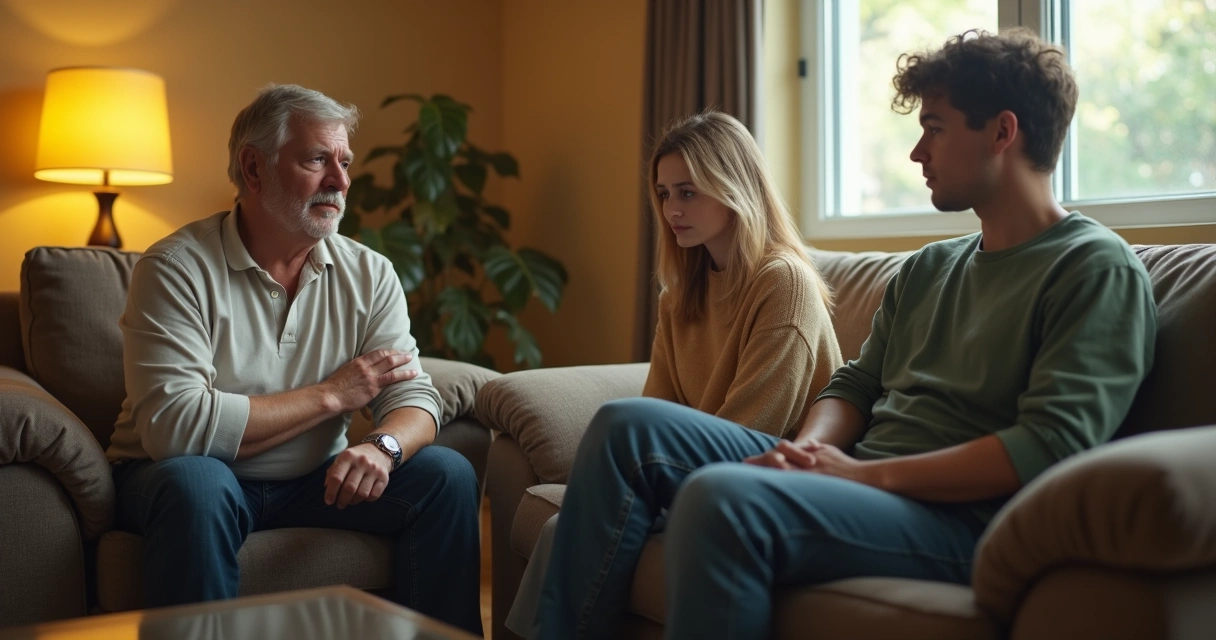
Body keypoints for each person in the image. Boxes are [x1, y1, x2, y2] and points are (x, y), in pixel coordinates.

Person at [535, 29, 1157, 640]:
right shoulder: (929, 268)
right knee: (626, 427)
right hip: (860, 482)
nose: (918, 152)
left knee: (722, 499)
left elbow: (1050, 444)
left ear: (1002, 131)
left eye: (934, 128)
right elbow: (855, 386)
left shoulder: (1094, 267)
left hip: (966, 519)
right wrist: (809, 452)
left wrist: (862, 477)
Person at [106, 84, 482, 634]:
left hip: (311, 481)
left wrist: (384, 445)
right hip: (173, 475)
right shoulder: (175, 268)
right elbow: (176, 429)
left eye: (345, 162)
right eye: (317, 160)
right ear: (253, 169)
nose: (341, 181)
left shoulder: (369, 273)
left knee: (446, 472)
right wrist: (333, 394)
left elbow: (414, 397)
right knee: (199, 484)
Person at [505, 111, 843, 637]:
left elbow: (757, 430)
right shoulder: (681, 293)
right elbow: (661, 411)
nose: (671, 210)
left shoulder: (784, 283)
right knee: (556, 528)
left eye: (687, 192)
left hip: (769, 475)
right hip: (693, 470)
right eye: (663, 194)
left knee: (606, 461)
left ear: (733, 187)